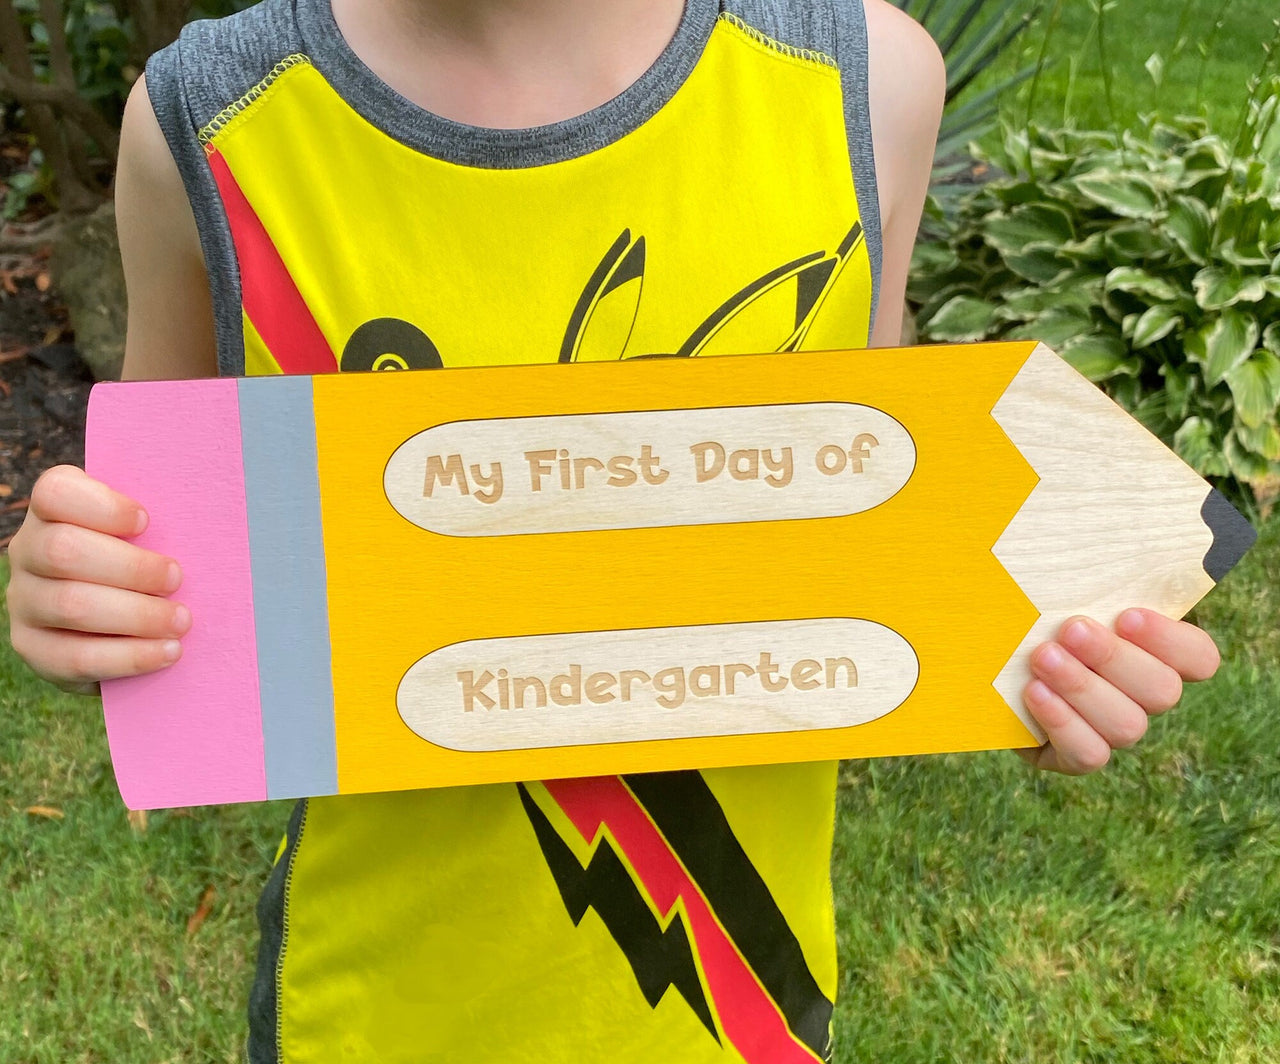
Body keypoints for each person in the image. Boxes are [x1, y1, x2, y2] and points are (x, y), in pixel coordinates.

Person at [5, 0, 1221, 1060]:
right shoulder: (206, 123)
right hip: (367, 1004)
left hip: (747, 1004)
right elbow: (164, 555)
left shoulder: (866, 82)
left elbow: (880, 527)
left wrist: (1031, 669)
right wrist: (87, 599)